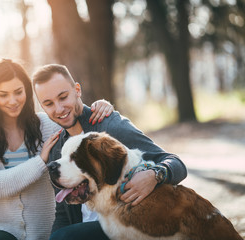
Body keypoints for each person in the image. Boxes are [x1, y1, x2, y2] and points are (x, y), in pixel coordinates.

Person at [32, 64, 188, 240]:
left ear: (77, 90)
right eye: (48, 103)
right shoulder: (58, 149)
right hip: (85, 230)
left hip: (126, 226)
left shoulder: (109, 127)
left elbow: (176, 164)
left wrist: (155, 175)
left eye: (63, 97)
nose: (59, 108)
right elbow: (62, 214)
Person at [0, 59, 113, 240]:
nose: (13, 101)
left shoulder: (48, 125)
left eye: (19, 92)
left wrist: (101, 106)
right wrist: (40, 162)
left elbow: (76, 122)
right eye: (3, 94)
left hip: (47, 230)